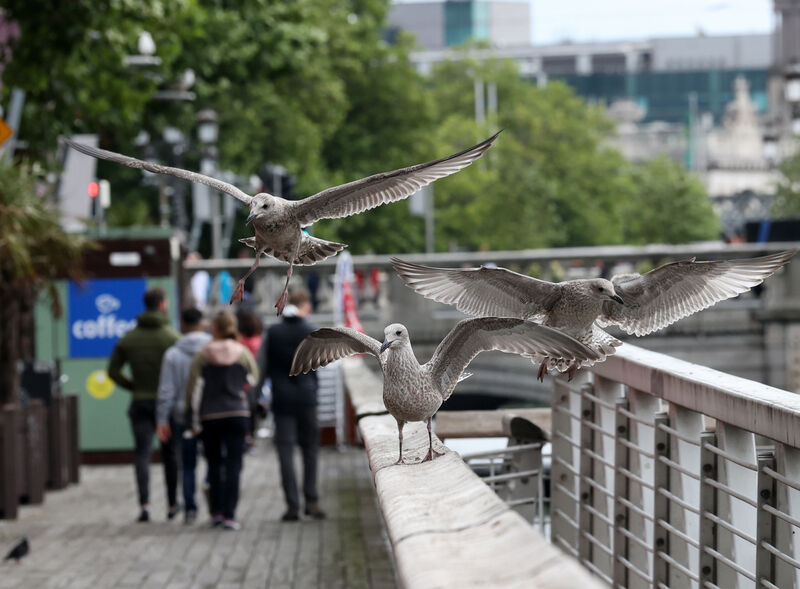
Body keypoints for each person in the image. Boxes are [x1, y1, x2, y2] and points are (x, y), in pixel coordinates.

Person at [107, 288, 180, 523]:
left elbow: (112, 371)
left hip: (139, 402)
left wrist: (134, 386)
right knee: (170, 454)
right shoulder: (171, 338)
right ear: (161, 305)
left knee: (142, 454)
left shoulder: (129, 339)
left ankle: (145, 505)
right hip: (165, 405)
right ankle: (171, 504)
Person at [186, 311, 258, 531]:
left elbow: (192, 387)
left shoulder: (203, 353)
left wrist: (191, 414)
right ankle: (230, 514)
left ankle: (215, 511)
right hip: (238, 413)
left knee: (214, 464)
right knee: (234, 465)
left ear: (213, 329)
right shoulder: (242, 352)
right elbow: (254, 378)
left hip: (211, 415)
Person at [259, 289, 326, 521]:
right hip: (307, 398)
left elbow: (263, 368)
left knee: (285, 451)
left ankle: (292, 505)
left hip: (282, 399)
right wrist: (315, 390)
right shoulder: (310, 331)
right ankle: (312, 500)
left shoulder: (273, 332)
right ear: (303, 306)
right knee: (310, 450)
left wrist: (258, 398)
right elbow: (316, 366)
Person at [155, 308, 211, 524]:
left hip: (181, 415)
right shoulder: (211, 348)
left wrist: (161, 418)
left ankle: (190, 508)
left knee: (187, 464)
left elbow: (166, 390)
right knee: (214, 459)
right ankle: (212, 495)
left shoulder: (172, 354)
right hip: (209, 412)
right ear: (202, 324)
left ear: (183, 326)